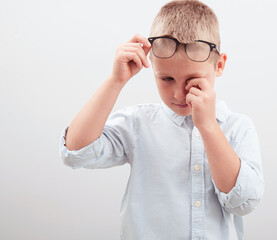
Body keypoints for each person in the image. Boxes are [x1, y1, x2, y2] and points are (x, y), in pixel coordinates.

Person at [59, 0, 264, 239]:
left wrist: (208, 126)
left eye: (192, 80)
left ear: (219, 65)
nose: (179, 94)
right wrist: (115, 81)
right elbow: (76, 153)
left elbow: (243, 203)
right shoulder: (138, 123)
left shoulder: (238, 127)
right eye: (166, 79)